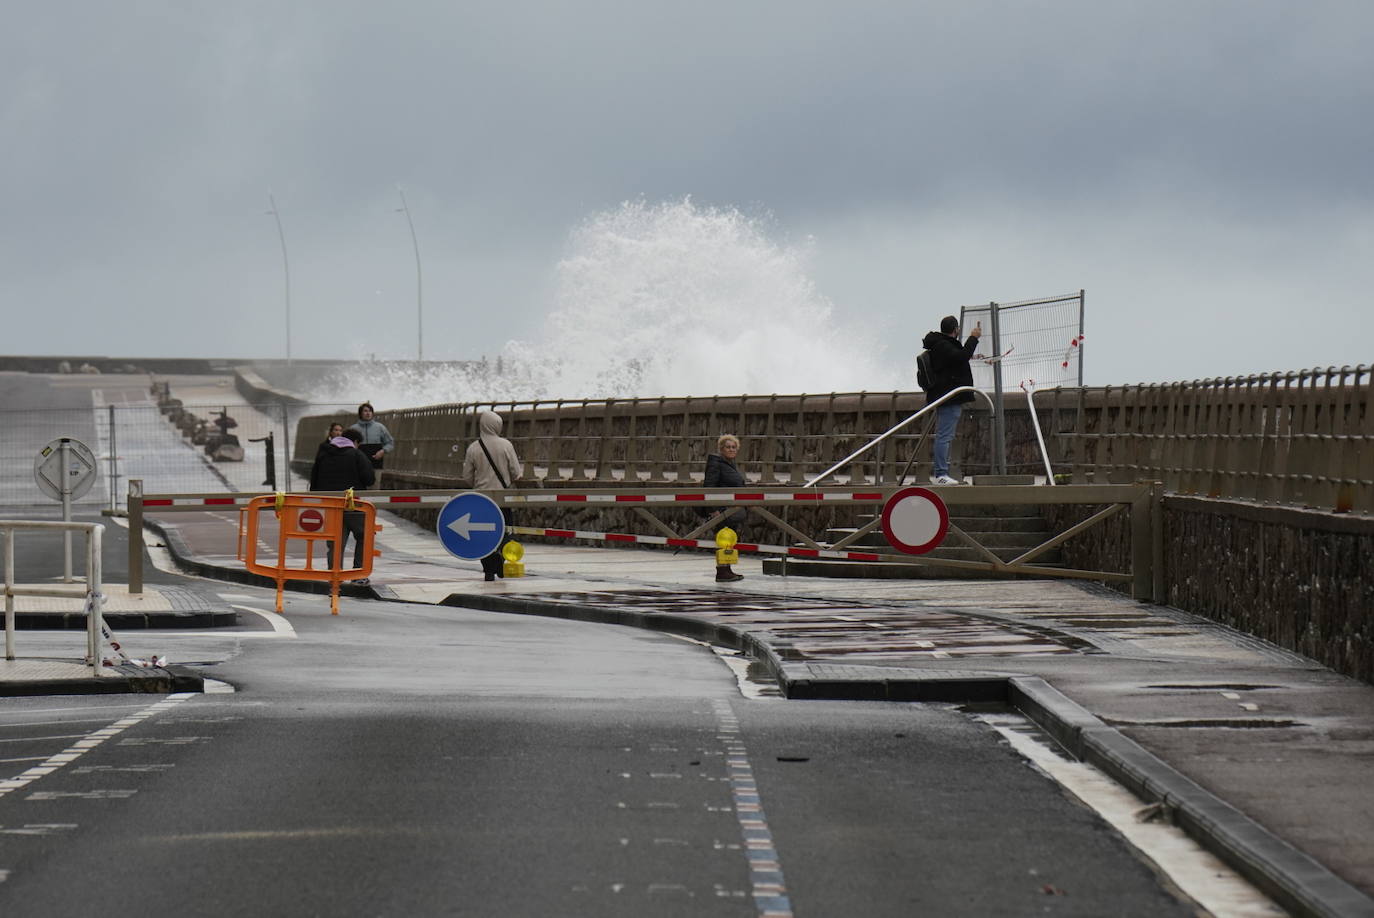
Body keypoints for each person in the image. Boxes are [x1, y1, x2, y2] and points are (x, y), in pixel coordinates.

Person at [309, 427, 375, 584]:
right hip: (354, 505)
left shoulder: (323, 454)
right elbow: (369, 479)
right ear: (355, 442)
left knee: (335, 542)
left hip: (330, 505)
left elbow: (314, 482)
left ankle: (334, 575)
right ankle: (358, 575)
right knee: (364, 536)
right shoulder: (356, 454)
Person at [461, 410, 521, 581]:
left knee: (483, 534)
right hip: (503, 499)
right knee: (505, 531)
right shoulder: (506, 445)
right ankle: (502, 563)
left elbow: (466, 476)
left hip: (482, 499)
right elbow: (516, 473)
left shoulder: (474, 447)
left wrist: (478, 484)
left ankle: (489, 569)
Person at [921, 315, 982, 485]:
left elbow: (956, 359)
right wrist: (973, 338)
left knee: (945, 435)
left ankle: (942, 472)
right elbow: (961, 357)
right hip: (948, 398)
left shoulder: (940, 344)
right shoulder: (943, 345)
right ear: (955, 330)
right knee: (944, 436)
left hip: (946, 396)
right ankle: (941, 474)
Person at [703, 433, 746, 582]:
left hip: (731, 509)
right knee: (723, 540)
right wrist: (713, 509)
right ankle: (722, 570)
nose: (731, 450)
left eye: (734, 447)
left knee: (729, 540)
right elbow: (709, 486)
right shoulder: (716, 464)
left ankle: (727, 569)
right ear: (721, 449)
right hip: (721, 509)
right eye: (728, 447)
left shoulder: (730, 464)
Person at [353, 402, 395, 489]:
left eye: (370, 411)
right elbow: (347, 444)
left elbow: (390, 442)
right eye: (365, 411)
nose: (368, 413)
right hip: (359, 464)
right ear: (360, 413)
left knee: (375, 488)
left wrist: (383, 451)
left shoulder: (380, 427)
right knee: (359, 487)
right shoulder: (354, 429)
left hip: (376, 463)